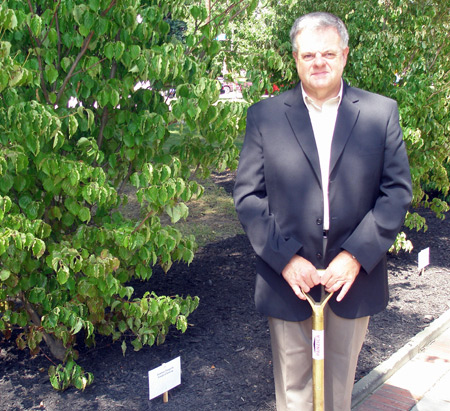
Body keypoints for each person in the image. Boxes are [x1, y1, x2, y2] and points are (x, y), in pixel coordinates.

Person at [233, 11, 412, 411]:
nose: (319, 62)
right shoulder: (264, 116)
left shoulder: (380, 113)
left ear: (345, 56)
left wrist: (354, 258)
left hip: (351, 279)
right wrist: (286, 259)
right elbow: (248, 196)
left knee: (336, 391)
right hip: (289, 278)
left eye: (328, 53)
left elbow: (396, 192)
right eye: (309, 54)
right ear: (295, 58)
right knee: (294, 392)